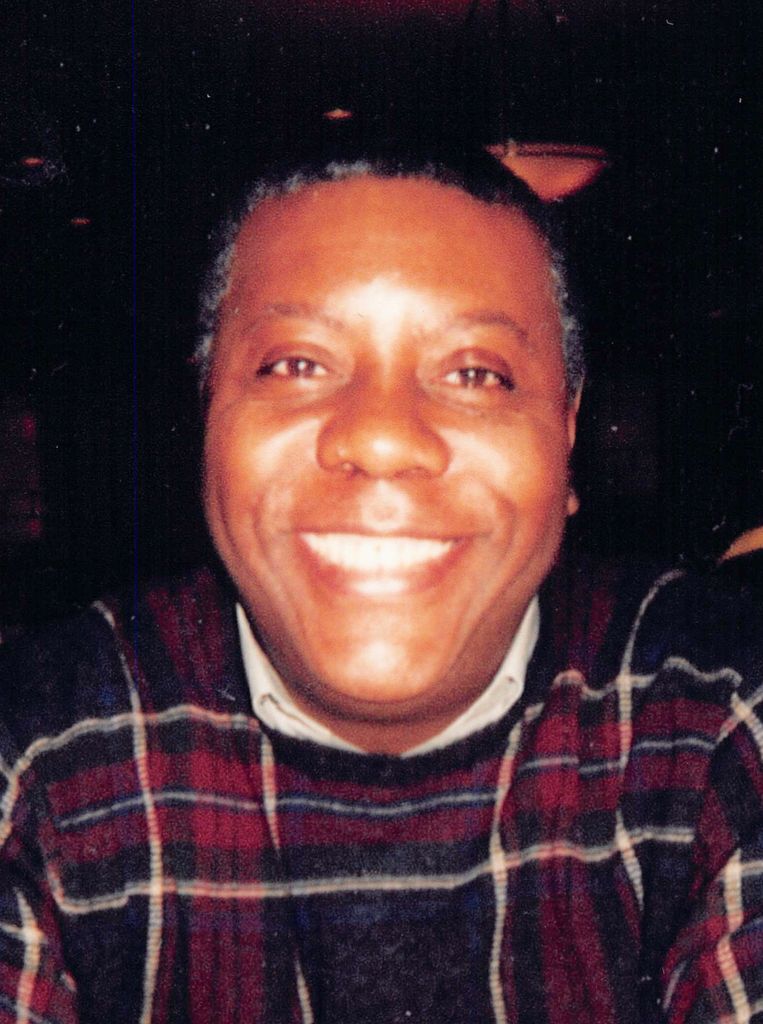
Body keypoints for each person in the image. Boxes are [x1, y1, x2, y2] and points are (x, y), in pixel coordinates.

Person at [0, 139, 761, 1024]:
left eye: (475, 374)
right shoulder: (36, 754)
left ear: (565, 434)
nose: (382, 437)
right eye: (295, 364)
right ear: (207, 417)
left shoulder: (717, 718)